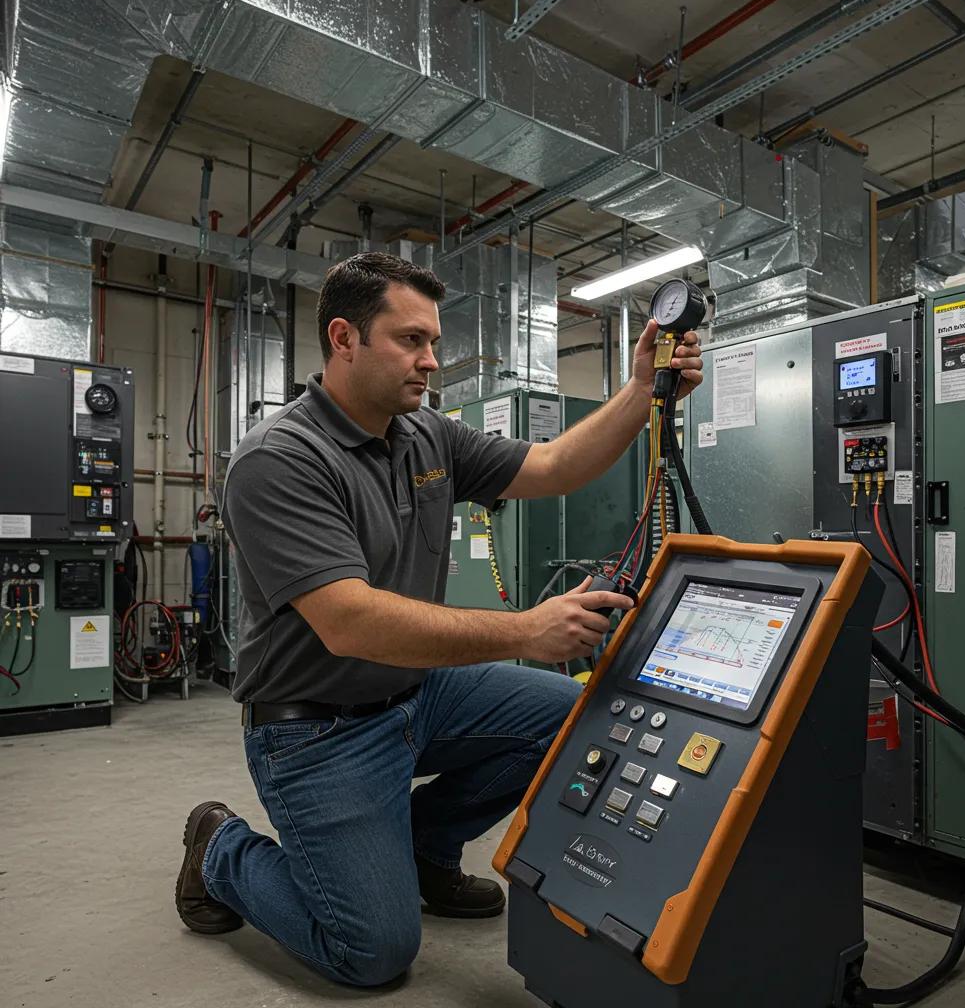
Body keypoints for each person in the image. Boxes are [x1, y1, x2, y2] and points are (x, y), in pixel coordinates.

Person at [174, 251, 703, 986]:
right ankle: (219, 849)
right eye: (410, 341)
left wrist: (641, 391)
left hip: (418, 694)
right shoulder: (279, 460)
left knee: (576, 716)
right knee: (373, 953)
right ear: (344, 338)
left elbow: (550, 468)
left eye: (433, 343)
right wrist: (525, 629)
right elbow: (349, 622)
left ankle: (424, 844)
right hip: (316, 728)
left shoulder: (426, 434)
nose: (430, 361)